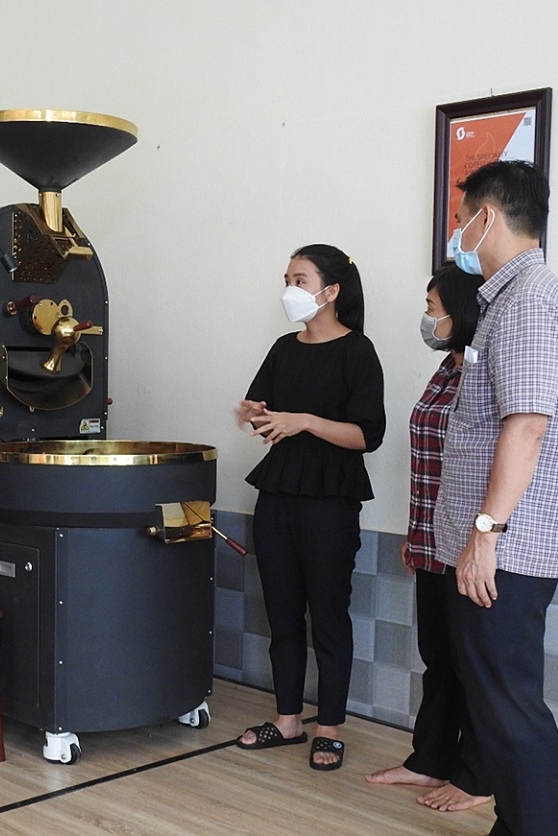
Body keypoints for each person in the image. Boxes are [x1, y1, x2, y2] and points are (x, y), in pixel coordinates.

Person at [435, 160, 558, 836]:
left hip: (508, 547)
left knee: (508, 707)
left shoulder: (527, 300)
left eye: (461, 219)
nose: (458, 234)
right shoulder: (512, 297)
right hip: (504, 541)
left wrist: (485, 534)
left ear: (486, 217)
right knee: (501, 704)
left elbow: (526, 426)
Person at [234, 244, 385, 771]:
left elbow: (367, 435)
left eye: (299, 279)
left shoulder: (357, 351)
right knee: (281, 611)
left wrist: (305, 421)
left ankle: (330, 728)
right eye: (287, 279)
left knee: (328, 615)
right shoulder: (283, 348)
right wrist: (252, 414)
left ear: (331, 290)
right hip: (277, 494)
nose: (289, 289)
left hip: (331, 500)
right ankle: (287, 720)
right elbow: (262, 418)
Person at [365, 266, 491, 812]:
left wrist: (481, 540)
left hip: (473, 544)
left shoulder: (487, 371)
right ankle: (430, 759)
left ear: (460, 312)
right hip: (432, 538)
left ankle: (480, 776)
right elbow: (429, 461)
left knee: (474, 665)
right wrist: (416, 532)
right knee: (438, 657)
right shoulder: (446, 368)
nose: (427, 318)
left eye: (433, 307)